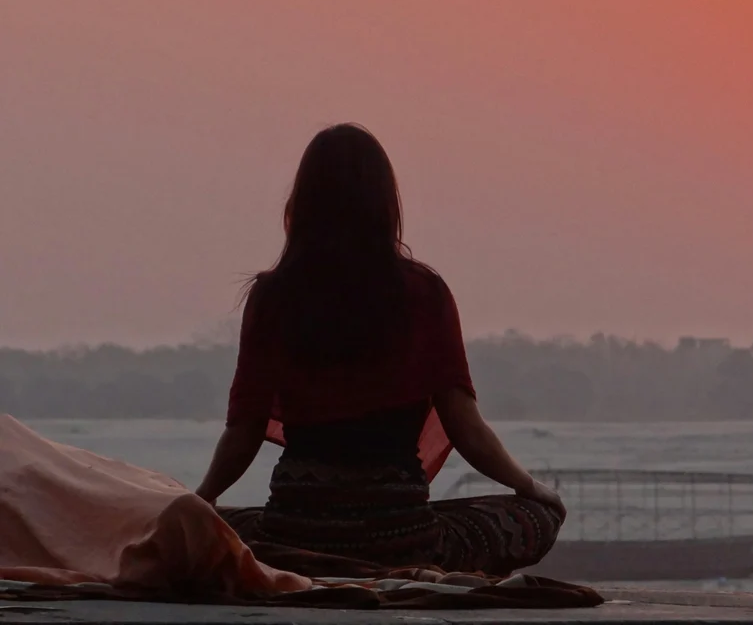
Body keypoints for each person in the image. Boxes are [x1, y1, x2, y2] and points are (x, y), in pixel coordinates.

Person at [196, 123, 564, 576]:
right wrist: (530, 487)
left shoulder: (273, 297)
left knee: (224, 526)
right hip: (404, 538)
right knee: (536, 517)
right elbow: (466, 427)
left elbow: (243, 433)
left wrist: (201, 501)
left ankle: (311, 556)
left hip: (293, 534)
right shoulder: (423, 293)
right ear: (386, 204)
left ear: (303, 203)